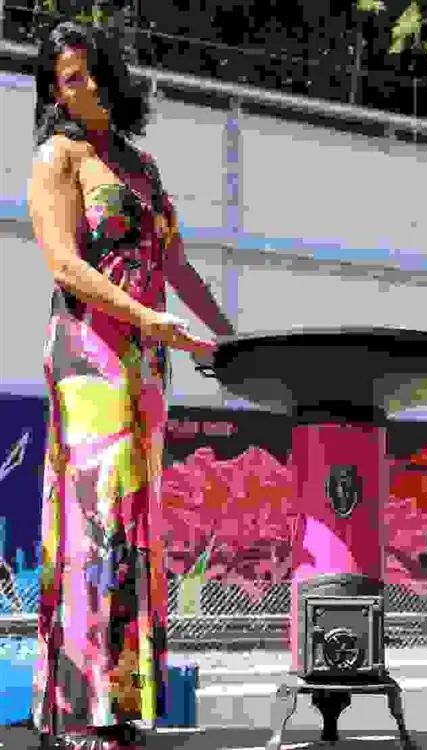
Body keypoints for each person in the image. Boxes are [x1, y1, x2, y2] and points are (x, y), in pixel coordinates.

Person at [28, 20, 235, 750]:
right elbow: (63, 263)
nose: (80, 87)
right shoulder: (57, 157)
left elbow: (175, 263)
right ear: (54, 92)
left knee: (135, 524)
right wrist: (149, 317)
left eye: (88, 71)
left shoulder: (141, 167)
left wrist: (229, 334)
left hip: (146, 362)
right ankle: (82, 711)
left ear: (111, 72)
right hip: (90, 356)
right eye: (66, 79)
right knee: (97, 521)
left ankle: (118, 705)